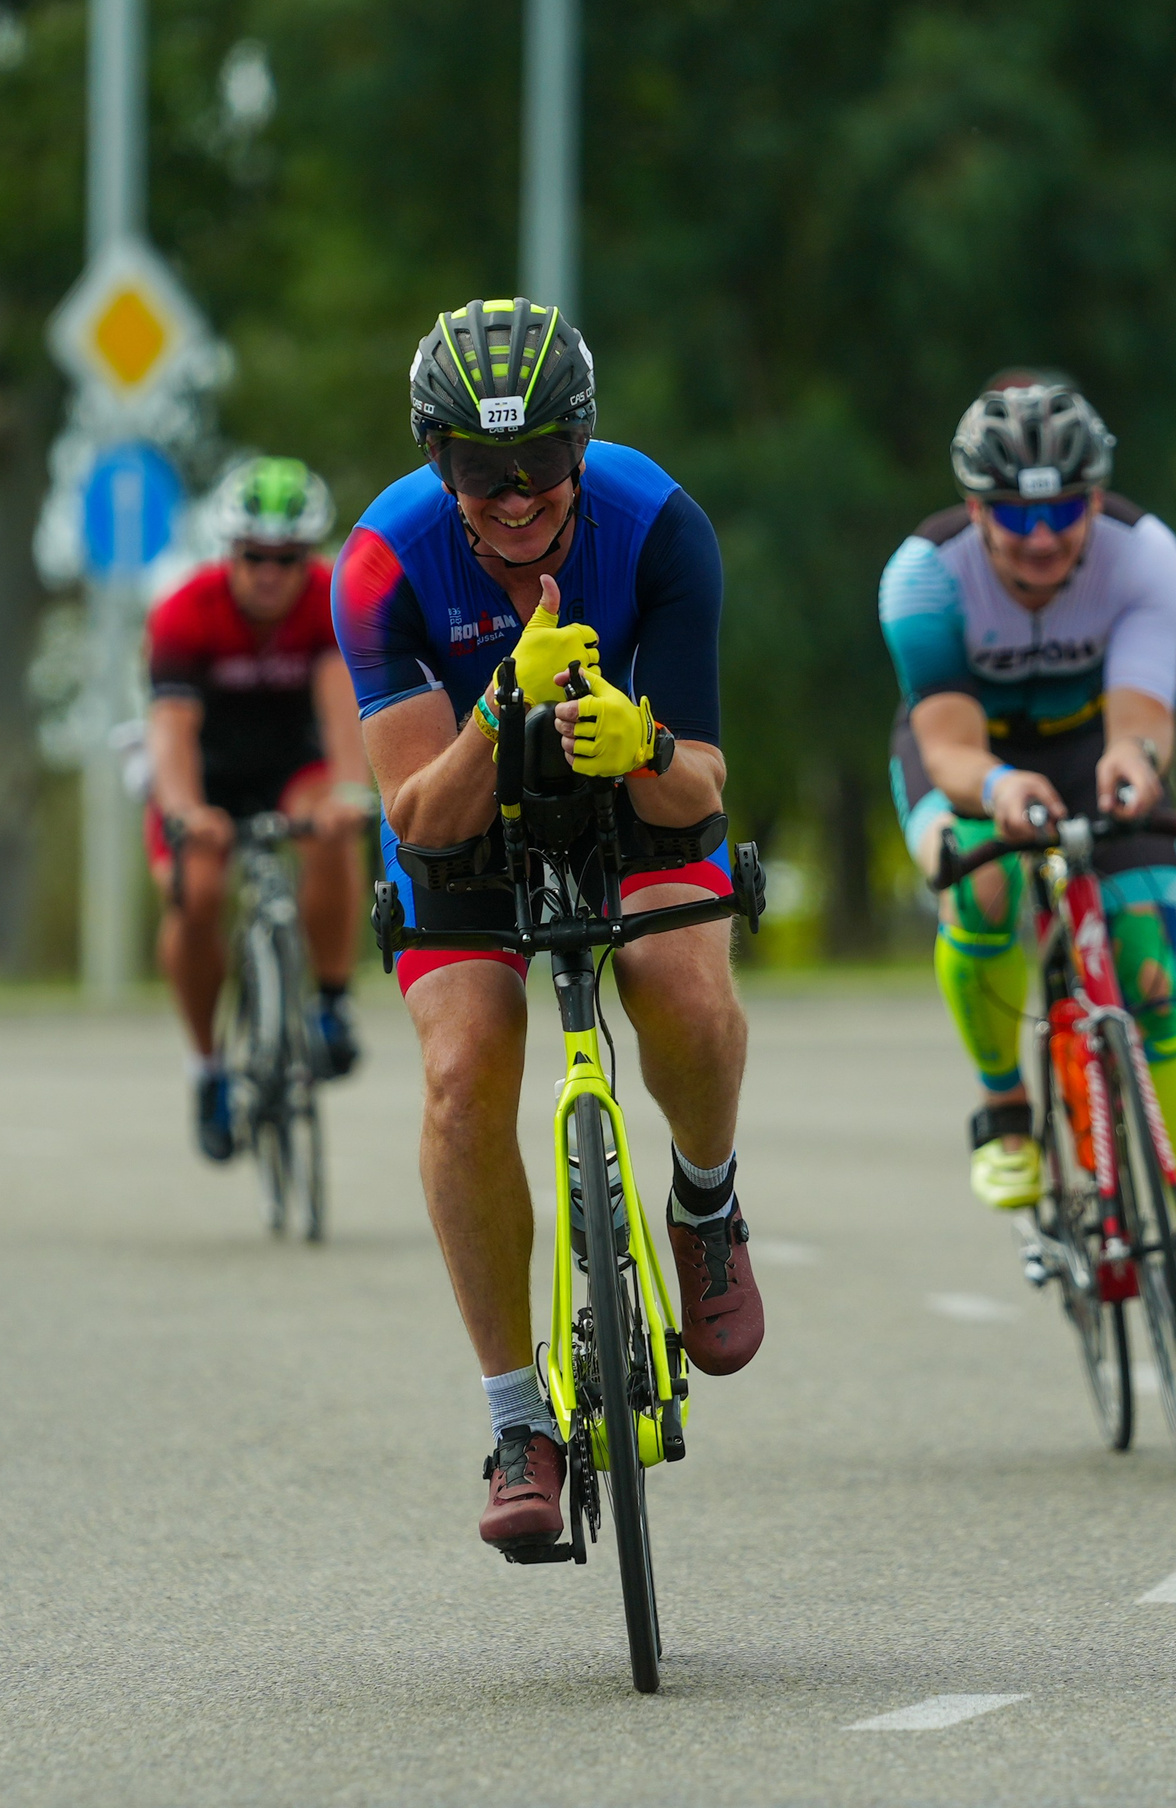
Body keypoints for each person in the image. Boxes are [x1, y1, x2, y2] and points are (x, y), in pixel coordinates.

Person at [331, 297, 763, 1552]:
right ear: (437, 466)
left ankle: (704, 1201)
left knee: (682, 988)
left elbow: (704, 786)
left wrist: (645, 740)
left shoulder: (661, 527)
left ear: (582, 447)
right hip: (462, 816)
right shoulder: (384, 566)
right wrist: (496, 706)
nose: (514, 500)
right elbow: (416, 818)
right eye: (479, 474)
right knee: (465, 1074)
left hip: (627, 795)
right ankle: (519, 1421)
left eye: (538, 469)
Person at [879, 376, 1176, 1375]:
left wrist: (1132, 769)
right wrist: (998, 788)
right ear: (975, 510)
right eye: (1015, 516)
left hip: (1095, 745)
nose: (1041, 538)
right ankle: (1005, 1105)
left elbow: (1140, 716)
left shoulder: (1147, 556)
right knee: (982, 886)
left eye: (1061, 512)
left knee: (1151, 982)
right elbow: (951, 743)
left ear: (1094, 501)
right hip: (967, 754)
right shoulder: (923, 577)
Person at [145, 456, 373, 1162]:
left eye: (288, 557)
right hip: (204, 775)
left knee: (331, 830)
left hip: (288, 765)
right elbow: (171, 734)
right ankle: (208, 1067)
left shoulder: (329, 599)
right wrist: (185, 811)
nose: (270, 572)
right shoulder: (185, 611)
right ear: (230, 551)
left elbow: (345, 713)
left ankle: (330, 1002)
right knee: (200, 891)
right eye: (254, 556)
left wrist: (348, 791)